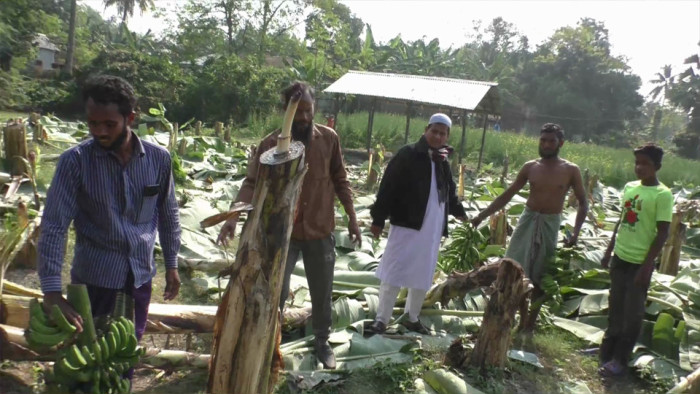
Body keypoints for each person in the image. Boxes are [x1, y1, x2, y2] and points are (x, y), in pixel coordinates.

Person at [37, 75, 181, 375]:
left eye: (109, 124)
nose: (99, 131)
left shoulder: (158, 159)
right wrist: (51, 291)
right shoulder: (75, 162)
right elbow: (54, 225)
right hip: (95, 280)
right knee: (89, 360)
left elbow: (168, 215)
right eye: (92, 123)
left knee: (125, 354)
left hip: (139, 277)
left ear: (131, 117)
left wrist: (172, 264)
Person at [217, 81, 361, 370]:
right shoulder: (270, 145)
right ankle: (269, 341)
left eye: (309, 111)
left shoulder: (328, 139)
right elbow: (251, 183)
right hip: (282, 233)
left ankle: (322, 341)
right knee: (275, 290)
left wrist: (353, 218)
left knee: (322, 290)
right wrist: (232, 217)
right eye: (298, 112)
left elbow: (340, 179)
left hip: (320, 229)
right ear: (286, 110)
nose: (304, 118)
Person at [471, 123, 588, 332]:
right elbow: (508, 194)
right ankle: (504, 318)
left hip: (550, 224)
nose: (546, 145)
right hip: (527, 221)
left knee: (541, 275)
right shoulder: (530, 167)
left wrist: (576, 233)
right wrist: (481, 215)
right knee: (512, 269)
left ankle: (528, 324)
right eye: (543, 140)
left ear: (560, 143)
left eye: (551, 141)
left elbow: (583, 202)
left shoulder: (570, 170)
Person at [368, 113, 467, 335]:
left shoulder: (443, 160)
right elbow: (388, 186)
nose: (438, 136)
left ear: (447, 136)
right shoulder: (408, 154)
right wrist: (378, 218)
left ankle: (411, 317)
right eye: (434, 131)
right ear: (426, 130)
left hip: (432, 227)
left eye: (443, 133)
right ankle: (381, 319)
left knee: (423, 273)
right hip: (407, 223)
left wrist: (460, 212)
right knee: (394, 270)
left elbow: (449, 191)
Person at [598, 144, 672, 377]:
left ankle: (620, 359)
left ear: (657, 167)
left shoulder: (663, 195)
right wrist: (609, 250)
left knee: (633, 313)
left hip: (640, 263)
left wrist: (648, 265)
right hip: (621, 256)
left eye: (645, 164)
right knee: (615, 305)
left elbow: (662, 233)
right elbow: (621, 222)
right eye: (637, 162)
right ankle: (606, 351)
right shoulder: (630, 188)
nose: (639, 167)